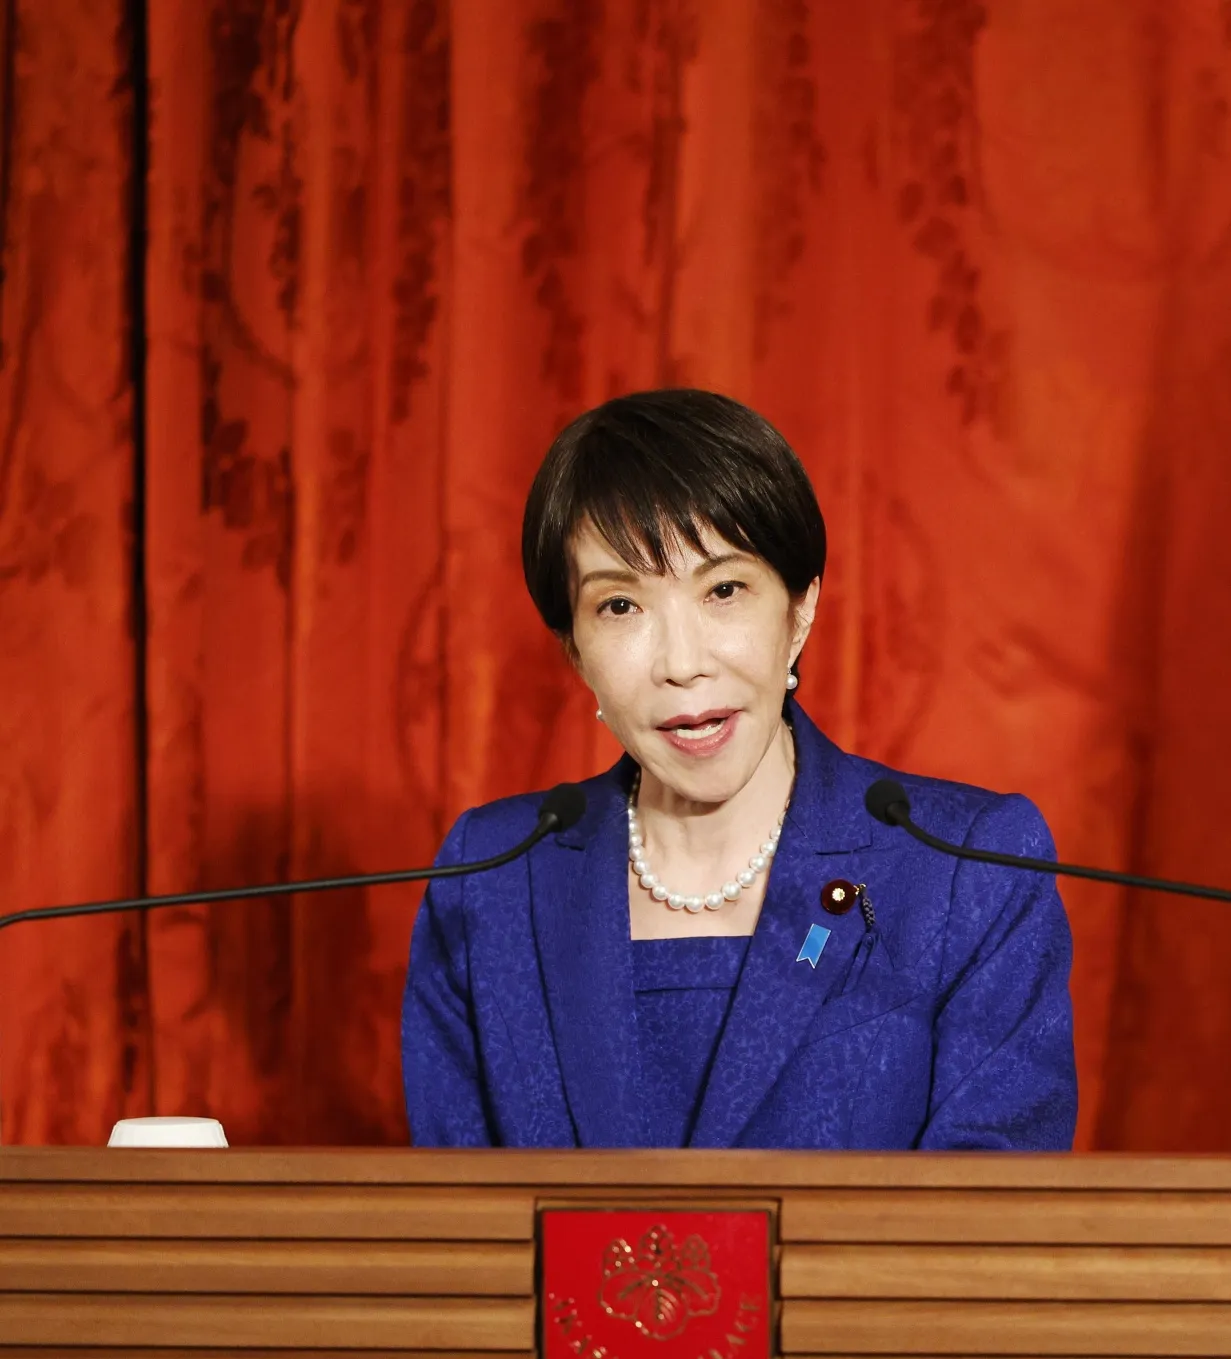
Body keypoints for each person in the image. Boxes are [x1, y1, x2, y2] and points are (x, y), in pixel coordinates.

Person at [401, 389, 1077, 1149]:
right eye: (620, 606)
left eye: (724, 590)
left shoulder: (967, 869)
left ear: (799, 611)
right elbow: (457, 1208)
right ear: (575, 651)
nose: (682, 663)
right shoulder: (491, 878)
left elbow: (990, 1206)